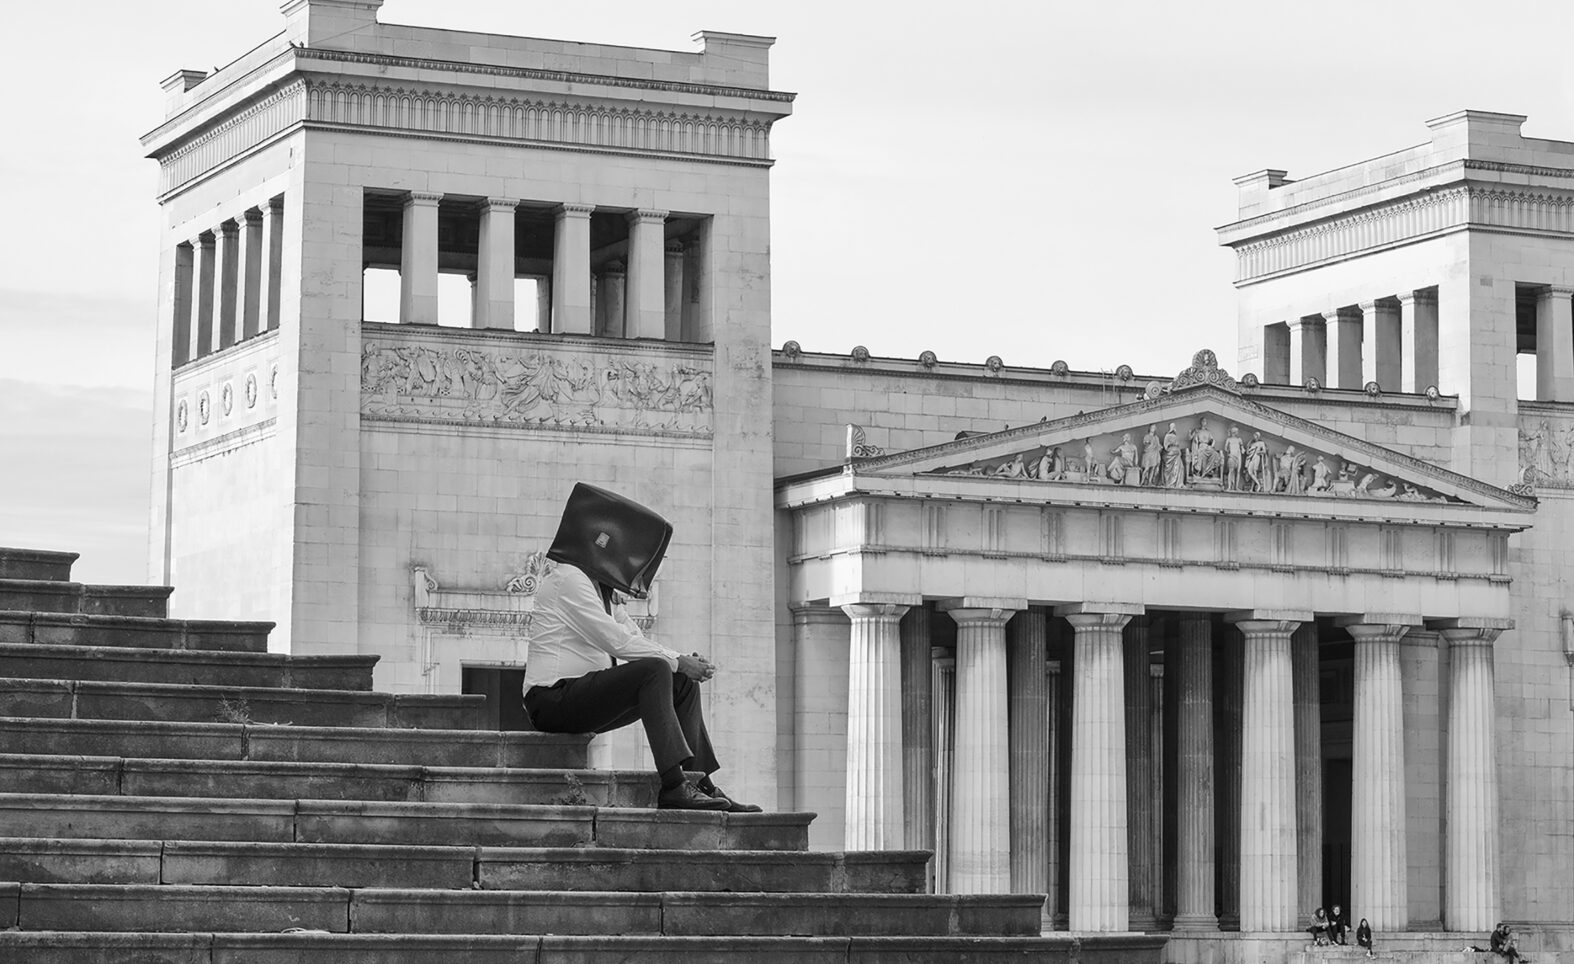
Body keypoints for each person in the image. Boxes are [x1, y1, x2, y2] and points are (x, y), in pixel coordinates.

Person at [522, 483, 760, 813]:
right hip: (551, 700)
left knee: (681, 682)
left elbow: (636, 638)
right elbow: (615, 642)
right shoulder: (569, 579)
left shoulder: (600, 589)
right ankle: (674, 786)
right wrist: (675, 661)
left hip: (581, 699)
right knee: (657, 668)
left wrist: (680, 662)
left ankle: (699, 781)